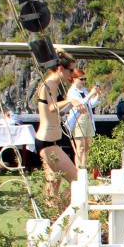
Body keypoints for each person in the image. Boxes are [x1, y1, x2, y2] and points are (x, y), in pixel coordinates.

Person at [35, 51, 80, 204]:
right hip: (47, 142)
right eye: (70, 70)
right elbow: (53, 107)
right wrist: (71, 101)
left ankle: (52, 212)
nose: (72, 74)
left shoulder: (54, 84)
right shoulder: (50, 84)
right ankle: (62, 208)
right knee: (78, 181)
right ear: (60, 68)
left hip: (52, 141)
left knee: (54, 182)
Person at [65, 68, 101, 170]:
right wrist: (90, 94)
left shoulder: (84, 90)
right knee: (80, 147)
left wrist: (97, 95)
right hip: (79, 119)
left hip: (88, 118)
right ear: (74, 79)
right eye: (81, 79)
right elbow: (80, 103)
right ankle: (78, 169)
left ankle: (85, 168)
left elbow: (91, 104)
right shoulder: (72, 92)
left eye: (85, 79)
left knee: (87, 147)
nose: (84, 81)